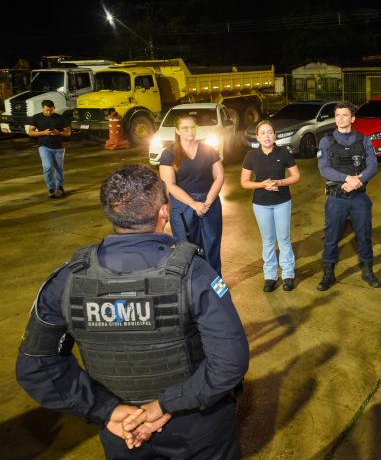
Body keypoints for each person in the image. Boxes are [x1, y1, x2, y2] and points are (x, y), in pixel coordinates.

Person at [16, 164, 249, 459]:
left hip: (124, 433)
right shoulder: (195, 274)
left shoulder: (68, 280)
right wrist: (166, 405)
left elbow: (36, 368)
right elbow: (230, 362)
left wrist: (108, 411)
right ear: (164, 211)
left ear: (110, 213)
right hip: (198, 430)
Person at [317, 102, 381, 291]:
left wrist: (358, 181)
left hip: (359, 197)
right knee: (331, 236)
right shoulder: (326, 140)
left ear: (352, 118)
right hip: (336, 197)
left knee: (364, 235)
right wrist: (347, 178)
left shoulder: (363, 139)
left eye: (345, 115)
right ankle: (328, 272)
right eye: (338, 115)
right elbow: (324, 169)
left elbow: (373, 166)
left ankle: (367, 269)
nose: (341, 119)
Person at [159, 114, 224, 275]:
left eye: (192, 127)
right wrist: (194, 204)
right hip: (183, 206)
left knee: (212, 246)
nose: (190, 131)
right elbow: (169, 185)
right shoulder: (169, 154)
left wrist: (207, 202)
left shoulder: (209, 150)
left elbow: (220, 177)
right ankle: (193, 286)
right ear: (177, 131)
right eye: (185, 128)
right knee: (187, 249)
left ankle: (216, 286)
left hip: (210, 202)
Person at [241, 119, 301, 292]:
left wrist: (280, 182)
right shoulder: (251, 156)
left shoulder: (284, 153)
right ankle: (270, 276)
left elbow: (296, 176)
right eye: (263, 133)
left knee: (283, 239)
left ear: (275, 135)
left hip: (282, 202)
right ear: (258, 137)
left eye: (270, 132)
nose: (267, 136)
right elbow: (244, 182)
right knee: (268, 241)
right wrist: (262, 185)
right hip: (261, 204)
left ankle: (288, 274)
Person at [27, 99, 71, 198]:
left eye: (51, 110)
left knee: (59, 168)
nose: (48, 112)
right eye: (46, 110)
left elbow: (68, 133)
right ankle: (51, 188)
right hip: (44, 146)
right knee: (47, 167)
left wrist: (58, 133)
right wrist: (44, 133)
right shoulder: (36, 118)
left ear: (54, 108)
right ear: (42, 108)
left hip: (59, 147)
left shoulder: (60, 118)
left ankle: (59, 187)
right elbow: (30, 132)